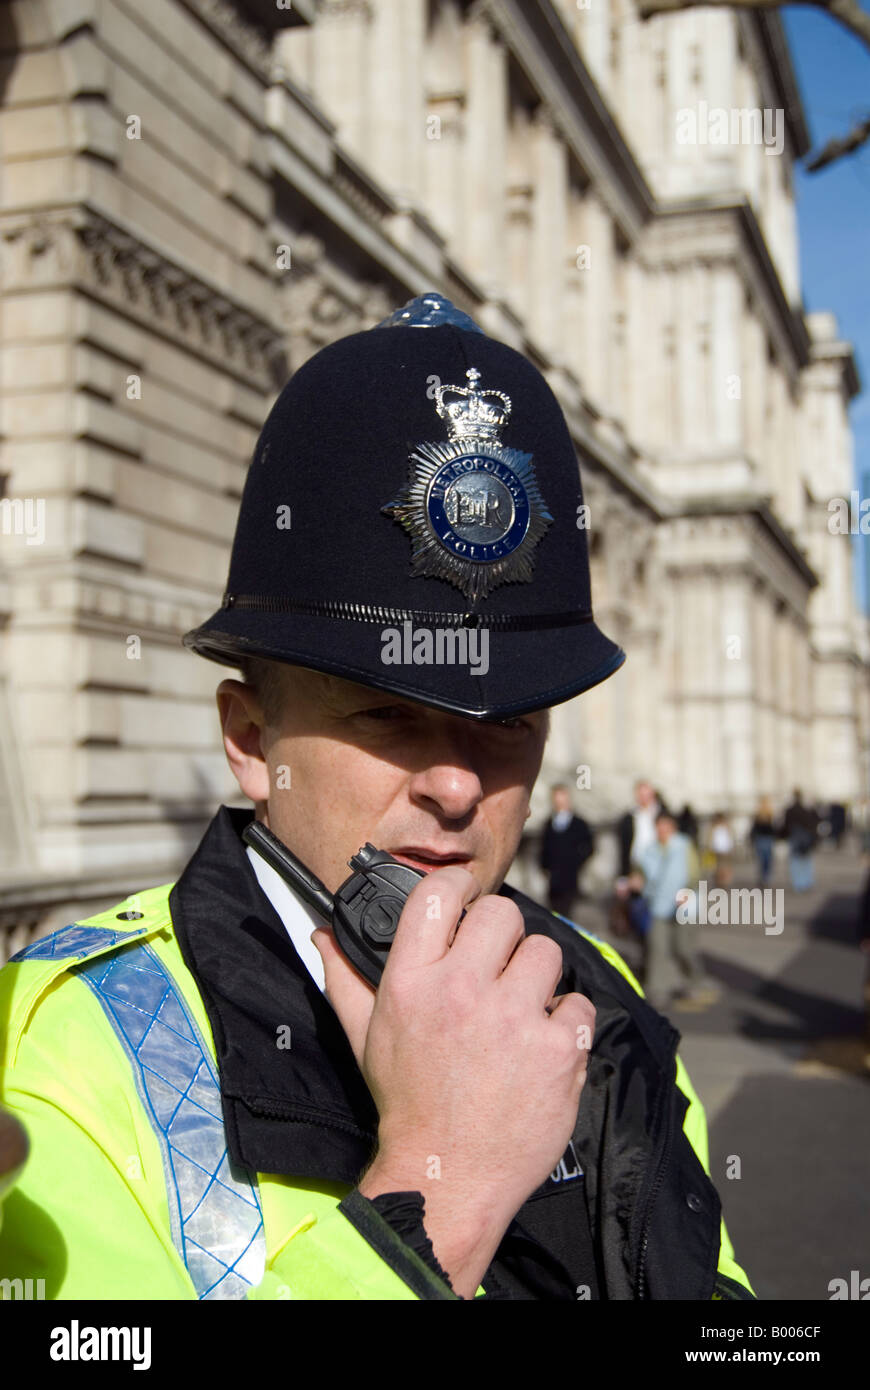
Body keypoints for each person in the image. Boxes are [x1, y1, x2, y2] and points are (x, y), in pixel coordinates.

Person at [0, 294, 753, 1301]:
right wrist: (437, 1194)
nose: (456, 784)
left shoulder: (595, 989)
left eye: (509, 724)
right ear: (251, 739)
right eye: (388, 717)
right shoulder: (66, 1047)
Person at [636, 810, 716, 1013]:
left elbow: (695, 873)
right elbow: (642, 875)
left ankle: (694, 980)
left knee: (683, 947)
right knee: (657, 947)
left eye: (666, 826)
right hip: (659, 905)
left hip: (685, 905)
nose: (662, 831)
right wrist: (635, 882)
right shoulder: (649, 850)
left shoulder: (684, 846)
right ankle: (658, 990)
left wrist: (687, 891)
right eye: (659, 827)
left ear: (673, 828)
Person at [539, 783, 595, 917]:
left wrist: (576, 862)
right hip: (553, 879)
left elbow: (589, 847)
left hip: (570, 878)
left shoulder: (579, 823)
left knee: (567, 914)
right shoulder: (549, 823)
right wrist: (544, 866)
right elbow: (544, 848)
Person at [616, 780, 665, 878]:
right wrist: (623, 876)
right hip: (637, 865)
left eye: (647, 794)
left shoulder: (662, 814)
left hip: (660, 864)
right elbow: (624, 847)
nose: (644, 798)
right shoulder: (629, 818)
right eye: (641, 795)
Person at [783, 788, 819, 892]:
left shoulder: (790, 810)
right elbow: (814, 823)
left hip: (794, 837)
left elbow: (785, 825)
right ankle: (807, 881)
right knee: (806, 860)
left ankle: (798, 883)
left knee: (795, 860)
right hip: (806, 838)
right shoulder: (807, 809)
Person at [750, 796, 777, 886]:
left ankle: (765, 878)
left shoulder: (770, 815)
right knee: (764, 860)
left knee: (766, 860)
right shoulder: (760, 815)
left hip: (765, 839)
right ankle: (764, 878)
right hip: (763, 839)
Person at [710, 812, 734, 888]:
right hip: (718, 849)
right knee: (719, 866)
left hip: (725, 849)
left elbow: (730, 837)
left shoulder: (725, 827)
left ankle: (724, 881)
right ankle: (720, 881)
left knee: (724, 866)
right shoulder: (715, 827)